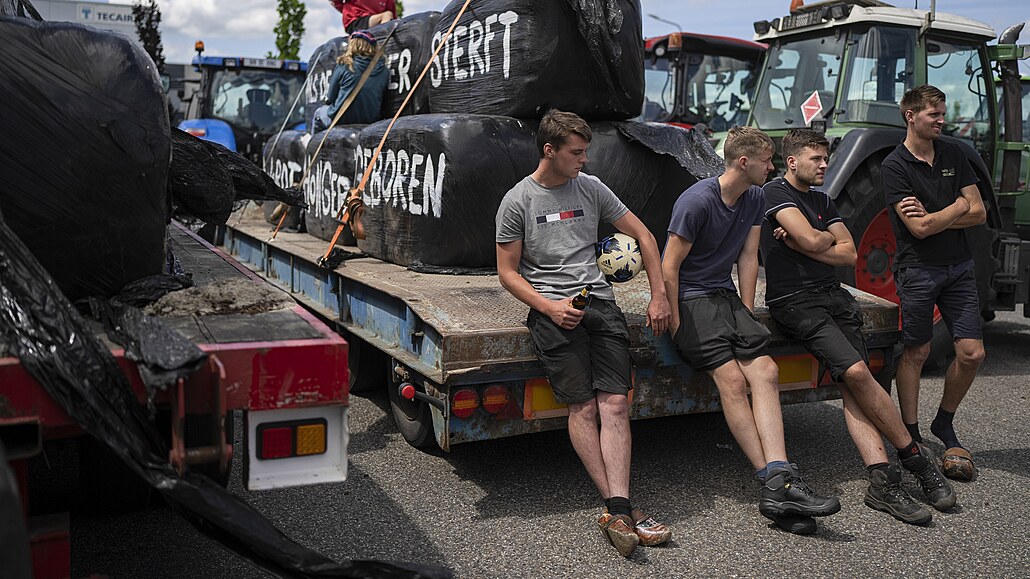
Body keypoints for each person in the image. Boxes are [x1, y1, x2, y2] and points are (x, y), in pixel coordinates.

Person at [495, 109, 672, 557]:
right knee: (583, 406)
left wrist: (659, 295)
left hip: (601, 303)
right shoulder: (517, 201)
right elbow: (507, 273)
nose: (584, 160)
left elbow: (645, 236)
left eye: (586, 151)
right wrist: (549, 307)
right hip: (553, 310)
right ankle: (621, 509)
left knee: (615, 402)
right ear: (549, 151)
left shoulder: (591, 188)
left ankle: (618, 509)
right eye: (576, 152)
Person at [761, 129, 956, 527]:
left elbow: (845, 251)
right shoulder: (774, 194)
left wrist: (807, 244)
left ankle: (881, 482)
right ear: (792, 161)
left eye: (824, 158)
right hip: (795, 303)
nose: (824, 165)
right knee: (854, 372)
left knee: (857, 385)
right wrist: (812, 242)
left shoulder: (822, 199)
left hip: (835, 296)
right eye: (815, 159)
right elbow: (813, 239)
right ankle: (914, 457)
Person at [661, 126, 840, 535]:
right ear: (744, 162)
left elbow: (747, 255)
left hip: (725, 298)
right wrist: (674, 319)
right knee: (730, 380)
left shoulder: (756, 196)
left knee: (766, 371)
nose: (772, 167)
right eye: (767, 161)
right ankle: (776, 483)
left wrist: (746, 310)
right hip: (690, 299)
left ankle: (780, 477)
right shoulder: (696, 201)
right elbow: (670, 265)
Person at [880, 84, 987, 481]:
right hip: (918, 268)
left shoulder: (954, 153)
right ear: (911, 116)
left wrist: (941, 215)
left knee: (972, 353)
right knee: (917, 351)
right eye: (934, 114)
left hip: (959, 266)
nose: (942, 120)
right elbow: (919, 230)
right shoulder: (894, 166)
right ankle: (909, 430)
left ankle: (944, 422)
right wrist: (957, 205)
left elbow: (979, 214)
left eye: (942, 113)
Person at [311, 30, 388, 133]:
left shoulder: (345, 65)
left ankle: (314, 148)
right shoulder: (384, 71)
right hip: (369, 121)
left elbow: (330, 97)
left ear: (352, 45)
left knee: (318, 113)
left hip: (341, 119)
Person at [329, 0, 396, 33]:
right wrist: (347, 11)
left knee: (388, 16)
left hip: (376, 24)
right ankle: (383, 43)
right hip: (356, 20)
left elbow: (393, 18)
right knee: (386, 15)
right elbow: (336, 2)